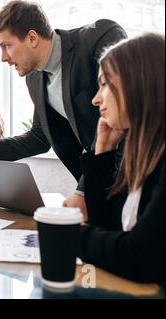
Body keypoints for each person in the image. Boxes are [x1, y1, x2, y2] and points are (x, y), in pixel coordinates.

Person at [0, 0, 127, 218]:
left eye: (6, 46)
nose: (3, 58)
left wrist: (83, 190)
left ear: (32, 38)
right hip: (99, 186)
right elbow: (39, 138)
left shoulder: (98, 38)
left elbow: (123, 112)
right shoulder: (34, 78)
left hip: (132, 174)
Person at [79, 33, 164, 285]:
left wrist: (68, 235)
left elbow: (141, 257)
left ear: (140, 83)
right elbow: (110, 228)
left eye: (105, 84)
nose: (96, 99)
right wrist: (103, 150)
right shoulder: (143, 150)